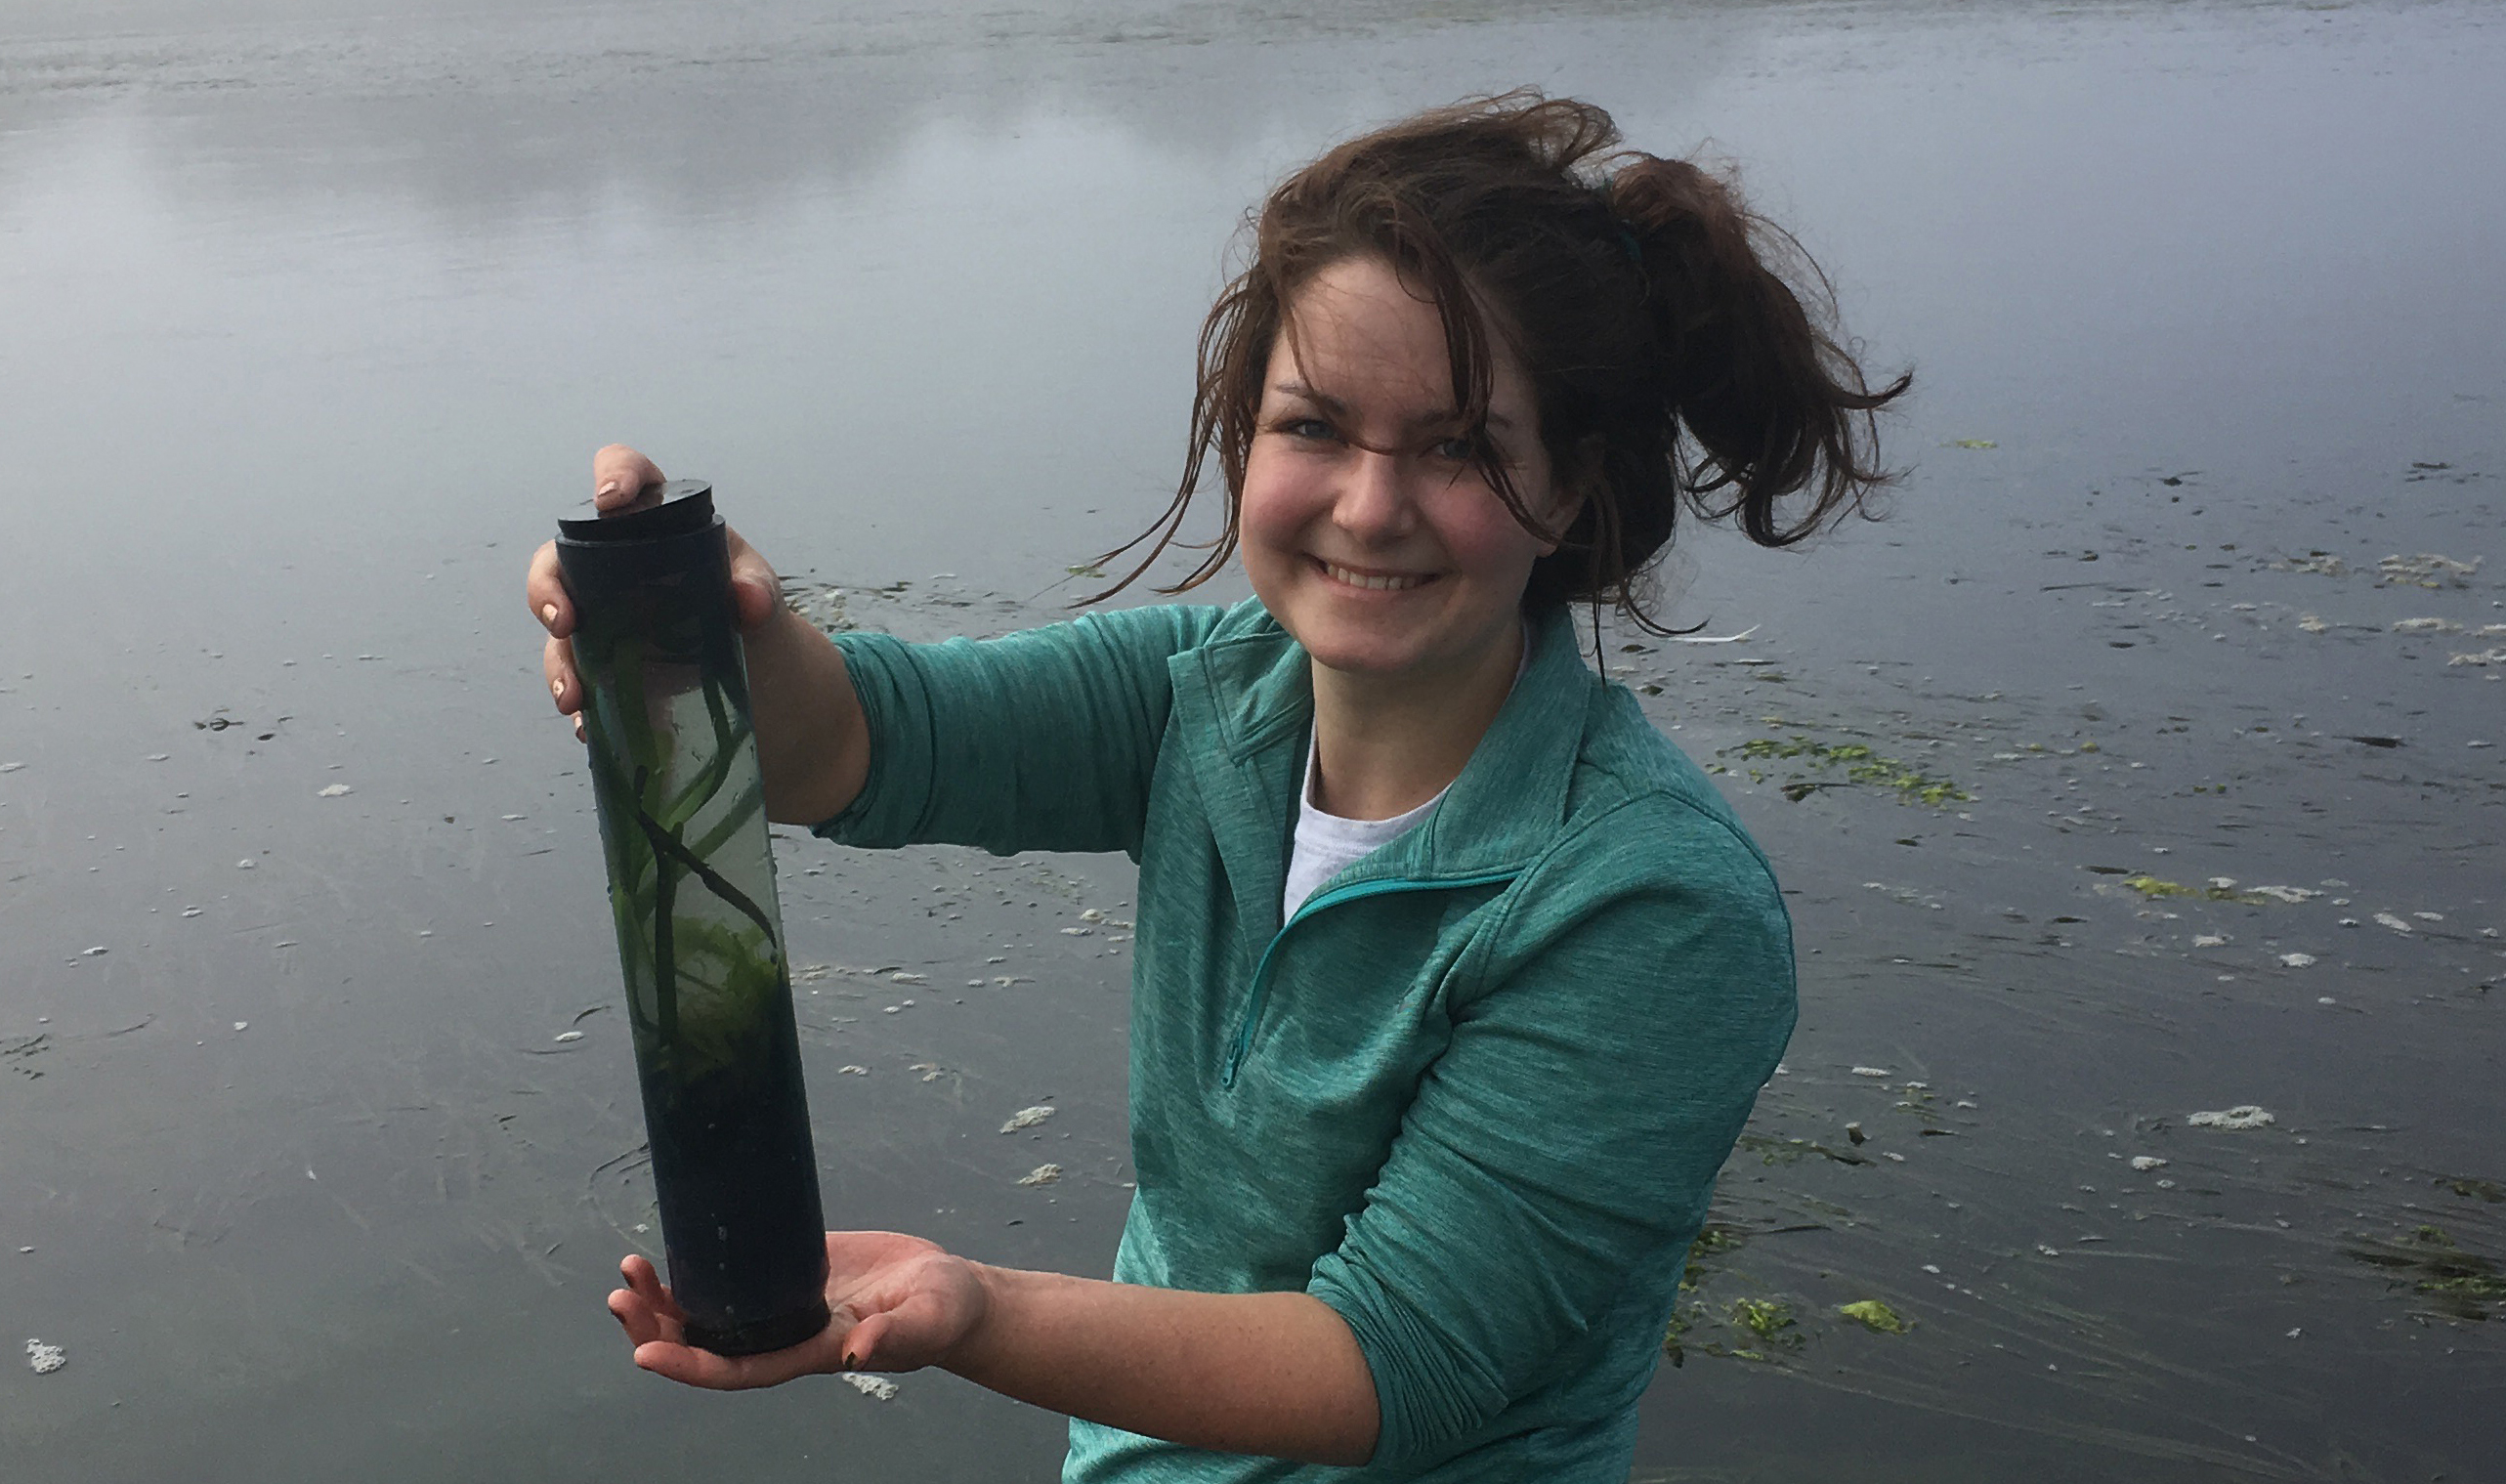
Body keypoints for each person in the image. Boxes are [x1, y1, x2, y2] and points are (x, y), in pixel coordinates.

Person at [527, 91, 1904, 1481]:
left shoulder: (1649, 905)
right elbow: (860, 743)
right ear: (1242, 435)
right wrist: (686, 639)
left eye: (1457, 444)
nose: (1368, 505)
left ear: (1573, 487)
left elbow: (1393, 1365)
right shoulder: (1208, 695)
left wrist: (979, 1312)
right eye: (1313, 425)